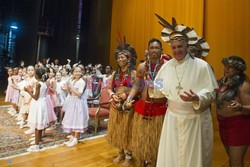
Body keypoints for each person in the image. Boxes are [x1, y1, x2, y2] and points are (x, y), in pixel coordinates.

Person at [153, 15, 218, 167]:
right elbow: (157, 87)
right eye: (174, 47)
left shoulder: (202, 66)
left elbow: (212, 93)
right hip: (172, 119)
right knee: (172, 157)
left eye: (180, 47)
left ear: (187, 46)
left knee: (193, 158)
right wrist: (151, 89)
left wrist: (198, 97)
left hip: (194, 120)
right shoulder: (166, 66)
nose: (177, 50)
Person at [125, 38, 168, 167]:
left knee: (157, 140)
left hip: (160, 107)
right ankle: (142, 163)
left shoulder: (167, 66)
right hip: (143, 106)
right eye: (151, 48)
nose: (154, 50)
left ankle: (155, 163)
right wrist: (129, 98)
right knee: (142, 139)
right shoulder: (142, 67)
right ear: (148, 50)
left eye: (156, 48)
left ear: (161, 50)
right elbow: (137, 87)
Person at [106, 38, 137, 167]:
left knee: (127, 130)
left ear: (129, 59)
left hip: (128, 105)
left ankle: (129, 156)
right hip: (116, 105)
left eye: (122, 57)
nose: (120, 59)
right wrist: (113, 95)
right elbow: (108, 88)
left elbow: (139, 89)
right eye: (118, 57)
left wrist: (127, 95)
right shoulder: (115, 74)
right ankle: (121, 152)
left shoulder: (135, 73)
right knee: (118, 129)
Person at [216, 56, 250, 167]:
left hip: (238, 125)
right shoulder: (220, 82)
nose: (226, 69)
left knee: (236, 162)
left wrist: (241, 107)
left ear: (238, 69)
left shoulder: (243, 85)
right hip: (223, 124)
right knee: (232, 159)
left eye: (230, 67)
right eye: (225, 66)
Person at [62, 66, 89, 147]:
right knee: (72, 120)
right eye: (75, 71)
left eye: (79, 71)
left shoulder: (82, 82)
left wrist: (71, 88)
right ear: (73, 73)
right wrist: (68, 89)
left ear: (81, 73)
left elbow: (79, 94)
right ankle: (72, 136)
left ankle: (75, 138)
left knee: (77, 120)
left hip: (78, 103)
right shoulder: (73, 81)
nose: (77, 73)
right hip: (72, 101)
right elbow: (71, 93)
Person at [25, 68, 49, 152]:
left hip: (38, 104)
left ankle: (36, 146)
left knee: (36, 126)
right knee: (40, 125)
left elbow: (35, 97)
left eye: (35, 74)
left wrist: (28, 91)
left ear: (37, 75)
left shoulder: (38, 83)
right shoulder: (44, 83)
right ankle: (39, 142)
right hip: (42, 103)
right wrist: (32, 90)